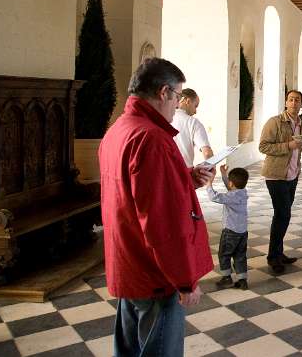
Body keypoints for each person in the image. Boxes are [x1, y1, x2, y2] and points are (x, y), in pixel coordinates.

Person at [99, 57, 215, 357]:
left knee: (129, 350)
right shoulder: (151, 138)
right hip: (155, 276)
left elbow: (136, 194)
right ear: (164, 92)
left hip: (129, 263)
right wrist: (185, 281)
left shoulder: (119, 129)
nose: (178, 104)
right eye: (178, 96)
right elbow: (163, 222)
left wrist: (186, 180)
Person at [258, 90, 302, 274]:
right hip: (276, 175)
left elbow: (298, 148)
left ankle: (279, 252)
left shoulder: (300, 123)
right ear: (286, 102)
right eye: (291, 99)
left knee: (283, 215)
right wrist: (288, 145)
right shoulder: (274, 121)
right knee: (282, 214)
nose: (294, 103)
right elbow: (263, 146)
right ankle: (273, 257)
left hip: (292, 174)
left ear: (301, 104)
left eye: (297, 100)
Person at [208, 165, 250, 290]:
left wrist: (209, 184)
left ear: (231, 183)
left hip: (230, 232)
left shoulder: (231, 196)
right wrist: (224, 175)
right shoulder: (243, 193)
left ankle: (227, 278)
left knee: (224, 254)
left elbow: (214, 197)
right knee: (240, 255)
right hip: (242, 232)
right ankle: (242, 280)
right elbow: (231, 188)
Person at [171, 88, 213, 167]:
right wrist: (210, 169)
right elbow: (207, 153)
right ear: (188, 101)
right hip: (184, 172)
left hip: (164, 172)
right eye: (195, 106)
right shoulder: (193, 122)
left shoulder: (163, 118)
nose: (195, 111)